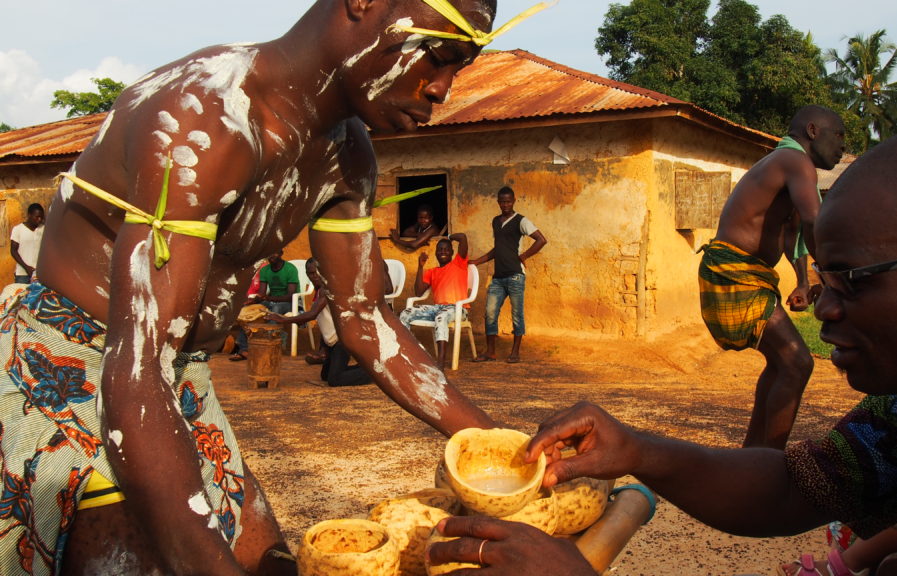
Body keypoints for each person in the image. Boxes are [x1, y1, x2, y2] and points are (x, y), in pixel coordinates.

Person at [0, 0, 522, 573]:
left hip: (174, 374)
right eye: (439, 55)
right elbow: (136, 369)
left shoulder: (348, 159)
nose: (443, 90)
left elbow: (366, 320)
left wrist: (507, 454)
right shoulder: (201, 117)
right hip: (71, 362)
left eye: (459, 69)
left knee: (271, 563)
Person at [426, 130, 897, 575]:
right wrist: (635, 449)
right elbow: (792, 487)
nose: (824, 309)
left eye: (853, 282)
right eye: (825, 282)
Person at [699, 105, 845, 449]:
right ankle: (768, 460)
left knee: (783, 363)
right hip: (735, 273)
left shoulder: (791, 168)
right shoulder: (795, 162)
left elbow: (794, 232)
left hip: (749, 275)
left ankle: (753, 455)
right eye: (838, 135)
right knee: (797, 360)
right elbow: (813, 220)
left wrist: (804, 282)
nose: (842, 146)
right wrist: (833, 276)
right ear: (812, 130)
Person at [268, 258, 384, 387]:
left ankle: (374, 373)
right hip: (332, 342)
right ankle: (365, 370)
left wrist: (284, 319)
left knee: (335, 380)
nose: (313, 277)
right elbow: (325, 320)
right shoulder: (320, 290)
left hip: (342, 340)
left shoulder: (327, 289)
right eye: (310, 274)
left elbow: (313, 314)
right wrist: (324, 348)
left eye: (316, 273)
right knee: (326, 376)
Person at [470, 186, 547, 363]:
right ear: (498, 202)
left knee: (517, 315)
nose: (505, 204)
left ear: (513, 201)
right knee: (490, 313)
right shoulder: (496, 221)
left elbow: (541, 240)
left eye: (508, 201)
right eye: (502, 201)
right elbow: (497, 249)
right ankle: (490, 352)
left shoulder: (521, 220)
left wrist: (523, 256)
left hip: (515, 276)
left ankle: (515, 352)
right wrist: (476, 261)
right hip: (498, 278)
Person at [400, 232, 471, 368]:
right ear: (436, 253)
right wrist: (420, 266)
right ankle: (406, 354)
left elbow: (462, 237)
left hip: (458, 309)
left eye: (446, 249)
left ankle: (440, 362)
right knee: (406, 313)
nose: (443, 252)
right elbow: (419, 291)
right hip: (438, 308)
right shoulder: (432, 272)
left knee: (441, 317)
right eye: (440, 250)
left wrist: (447, 237)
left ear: (452, 252)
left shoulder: (459, 263)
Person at [230, 250, 299, 361]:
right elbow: (262, 293)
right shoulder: (265, 270)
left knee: (274, 309)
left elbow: (290, 296)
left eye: (274, 252)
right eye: (269, 253)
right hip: (271, 301)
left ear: (281, 253)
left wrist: (268, 298)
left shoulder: (290, 269)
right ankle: (243, 349)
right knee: (247, 311)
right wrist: (254, 301)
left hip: (290, 303)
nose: (271, 255)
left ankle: (267, 348)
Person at [9, 202, 45, 284]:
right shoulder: (18, 229)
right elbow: (13, 251)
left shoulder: (44, 229)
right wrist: (26, 267)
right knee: (22, 295)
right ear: (29, 215)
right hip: (22, 273)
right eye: (37, 217)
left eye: (41, 217)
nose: (39, 219)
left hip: (39, 273)